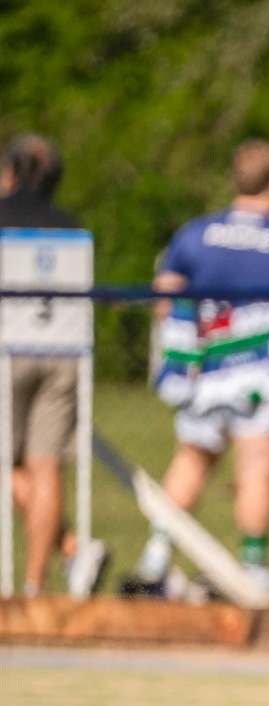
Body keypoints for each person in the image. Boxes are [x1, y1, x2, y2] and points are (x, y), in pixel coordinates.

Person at [128, 140, 269, 595]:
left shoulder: (195, 234)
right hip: (260, 374)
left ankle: (155, 559)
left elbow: (165, 301)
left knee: (191, 460)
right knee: (256, 469)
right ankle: (251, 566)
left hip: (205, 369)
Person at [0, 133, 106, 597]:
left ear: (10, 174)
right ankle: (37, 580)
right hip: (66, 353)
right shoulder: (71, 227)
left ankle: (69, 547)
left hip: (8, 349)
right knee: (46, 466)